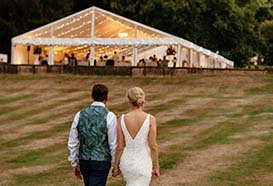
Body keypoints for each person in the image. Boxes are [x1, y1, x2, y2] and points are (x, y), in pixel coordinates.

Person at [68, 84, 117, 186]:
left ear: (92, 96)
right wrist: (116, 164)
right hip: (101, 161)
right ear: (106, 97)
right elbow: (113, 143)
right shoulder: (110, 116)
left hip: (84, 160)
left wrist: (74, 162)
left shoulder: (80, 114)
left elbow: (73, 141)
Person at [112, 87, 160, 185]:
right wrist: (156, 167)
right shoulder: (150, 119)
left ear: (129, 100)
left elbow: (120, 146)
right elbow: (153, 146)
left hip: (127, 162)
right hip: (143, 161)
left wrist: (116, 165)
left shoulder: (121, 119)